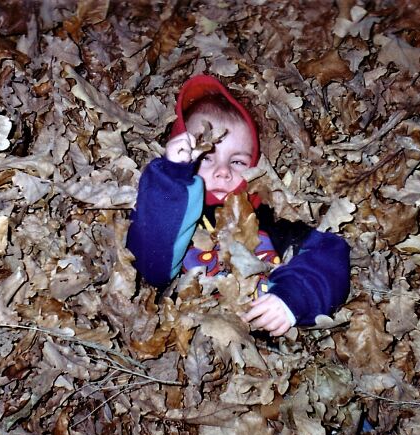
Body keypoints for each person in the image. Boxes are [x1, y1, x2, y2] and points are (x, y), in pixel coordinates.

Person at [126, 75, 350, 336]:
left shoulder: (266, 215)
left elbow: (329, 253)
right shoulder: (169, 211)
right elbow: (151, 266)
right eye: (206, 159)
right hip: (190, 334)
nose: (222, 171)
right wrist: (173, 179)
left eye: (237, 162)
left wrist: (292, 298)